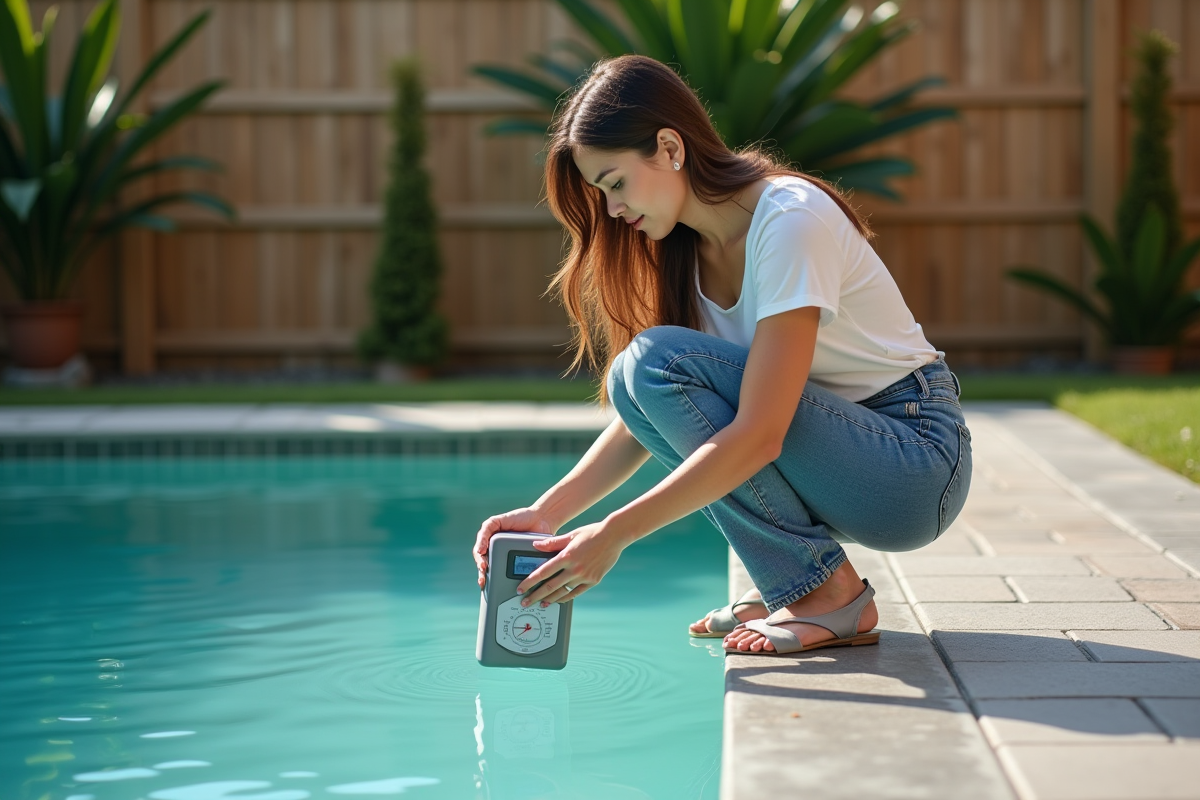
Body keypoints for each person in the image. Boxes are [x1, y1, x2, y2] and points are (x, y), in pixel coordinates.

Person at [472, 54, 972, 657]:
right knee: (636, 375)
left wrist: (613, 536)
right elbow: (646, 411)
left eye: (616, 183)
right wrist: (546, 514)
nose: (612, 210)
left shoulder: (789, 220)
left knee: (650, 360)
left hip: (911, 465)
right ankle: (793, 582)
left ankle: (825, 594)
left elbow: (761, 433)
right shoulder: (685, 249)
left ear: (668, 146)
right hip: (841, 463)